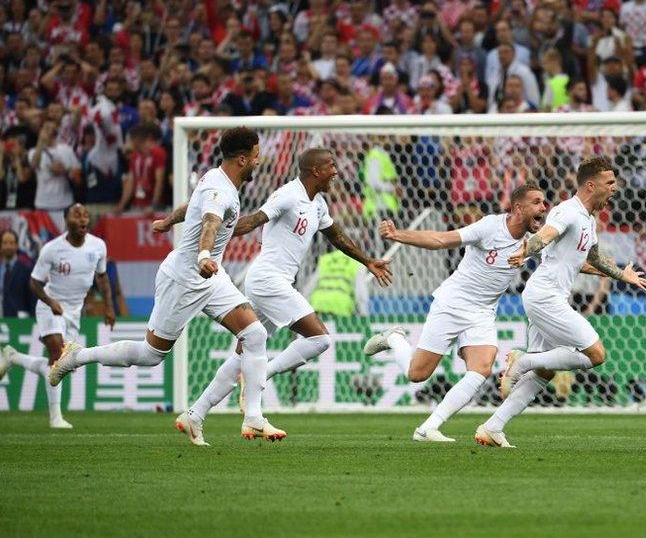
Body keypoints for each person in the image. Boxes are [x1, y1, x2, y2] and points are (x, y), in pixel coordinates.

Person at [47, 127, 286, 442]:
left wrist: (169, 221)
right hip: (186, 277)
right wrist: (203, 254)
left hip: (211, 276)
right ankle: (77, 356)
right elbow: (211, 222)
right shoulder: (221, 190)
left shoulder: (216, 180)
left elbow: (194, 207)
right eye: (256, 156)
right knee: (150, 354)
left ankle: (244, 416)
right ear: (242, 159)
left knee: (254, 333)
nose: (260, 161)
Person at [154, 148, 392, 445]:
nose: (335, 171)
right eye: (330, 166)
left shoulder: (316, 203)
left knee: (244, 353)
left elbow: (337, 236)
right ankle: (261, 377)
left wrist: (368, 260)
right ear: (315, 171)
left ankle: (195, 413)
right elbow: (254, 220)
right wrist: (214, 234)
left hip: (272, 281)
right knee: (319, 339)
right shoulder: (288, 195)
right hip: (268, 280)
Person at [476, 156, 646, 448]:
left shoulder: (588, 220)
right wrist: (526, 250)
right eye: (610, 183)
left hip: (548, 297)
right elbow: (545, 235)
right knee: (595, 355)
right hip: (544, 296)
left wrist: (623, 275)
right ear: (591, 185)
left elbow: (590, 259)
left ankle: (493, 426)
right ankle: (523, 360)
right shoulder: (567, 211)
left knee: (543, 374)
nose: (615, 188)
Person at [362, 184, 550, 442]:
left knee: (481, 368)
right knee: (417, 375)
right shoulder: (490, 227)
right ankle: (394, 338)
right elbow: (442, 240)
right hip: (452, 304)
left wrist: (612, 272)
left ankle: (428, 427)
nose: (544, 207)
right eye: (537, 202)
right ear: (519, 208)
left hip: (483, 312)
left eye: (544, 202)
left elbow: (566, 260)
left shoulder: (533, 241)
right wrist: (398, 235)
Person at [0, 204, 114, 429]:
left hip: (73, 311)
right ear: (66, 221)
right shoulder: (52, 249)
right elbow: (34, 282)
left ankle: (13, 357)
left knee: (61, 366)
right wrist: (51, 302)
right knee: (56, 353)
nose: (82, 218)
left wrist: (108, 307)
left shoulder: (98, 246)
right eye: (76, 215)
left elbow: (102, 278)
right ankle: (55, 418)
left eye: (85, 215)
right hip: (50, 306)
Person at [0, 230, 34, 317]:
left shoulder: (26, 270)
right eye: (5, 243)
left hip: (19, 323)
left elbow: (32, 299)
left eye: (11, 243)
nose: (8, 246)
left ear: (17, 245)